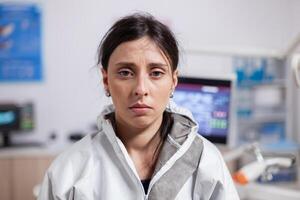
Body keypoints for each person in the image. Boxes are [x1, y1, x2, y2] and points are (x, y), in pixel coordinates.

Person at [38, 13, 239, 200]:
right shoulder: (70, 171)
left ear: (173, 81)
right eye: (125, 72)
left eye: (156, 73)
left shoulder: (206, 161)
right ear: (106, 80)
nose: (141, 89)